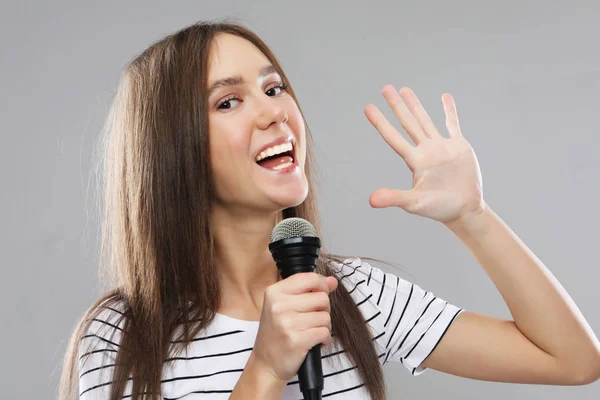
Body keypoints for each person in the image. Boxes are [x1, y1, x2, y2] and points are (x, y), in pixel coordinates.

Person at [58, 20, 600, 400]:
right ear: (170, 150)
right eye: (229, 101)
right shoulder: (122, 336)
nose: (274, 112)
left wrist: (473, 216)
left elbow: (573, 361)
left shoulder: (351, 294)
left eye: (274, 87)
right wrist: (266, 369)